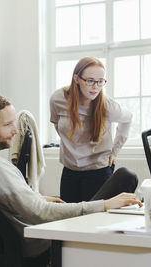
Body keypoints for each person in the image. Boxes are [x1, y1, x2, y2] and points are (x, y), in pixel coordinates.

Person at [0, 93, 141, 266]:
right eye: (8, 124)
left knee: (121, 181)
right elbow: (40, 212)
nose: (15, 130)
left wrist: (38, 197)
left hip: (31, 237)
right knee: (126, 177)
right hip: (44, 241)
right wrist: (105, 205)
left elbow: (10, 200)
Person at [50, 56, 132, 203]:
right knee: (68, 218)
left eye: (100, 81)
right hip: (70, 170)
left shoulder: (108, 106)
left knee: (92, 219)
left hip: (98, 170)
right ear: (77, 79)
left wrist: (115, 150)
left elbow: (128, 118)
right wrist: (71, 143)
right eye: (90, 81)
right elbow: (56, 123)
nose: (96, 87)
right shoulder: (58, 99)